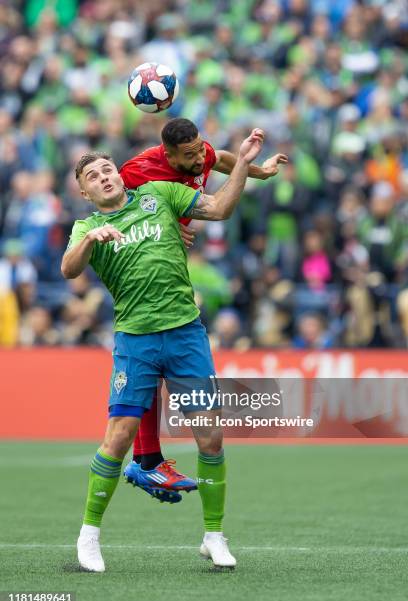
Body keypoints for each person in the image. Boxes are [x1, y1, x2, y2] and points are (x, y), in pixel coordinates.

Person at [61, 128, 264, 572]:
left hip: (186, 335)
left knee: (210, 435)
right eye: (93, 176)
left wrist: (244, 162)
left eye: (108, 169)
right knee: (118, 436)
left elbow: (221, 207)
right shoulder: (88, 227)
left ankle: (214, 536)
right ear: (84, 191)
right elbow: (68, 270)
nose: (105, 177)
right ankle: (89, 537)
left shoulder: (159, 193)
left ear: (121, 174)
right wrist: (90, 241)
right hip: (136, 340)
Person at [119, 117, 288, 503]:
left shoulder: (202, 152)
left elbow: (221, 158)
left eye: (200, 149)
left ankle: (147, 460)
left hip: (172, 263)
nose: (200, 159)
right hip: (140, 260)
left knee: (153, 367)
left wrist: (258, 171)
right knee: (148, 360)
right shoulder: (138, 170)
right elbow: (110, 205)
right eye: (190, 155)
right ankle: (145, 462)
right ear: (168, 154)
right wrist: (158, 223)